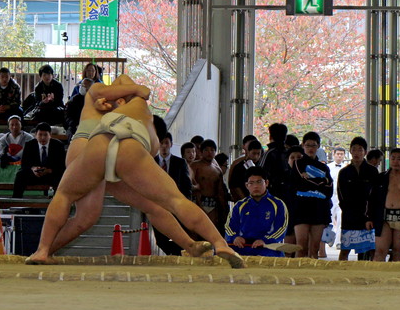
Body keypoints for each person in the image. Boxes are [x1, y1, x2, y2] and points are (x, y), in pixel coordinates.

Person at [27, 80, 244, 268]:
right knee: (173, 200)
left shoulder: (115, 105)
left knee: (85, 206)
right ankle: (220, 243)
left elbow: (133, 90)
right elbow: (136, 90)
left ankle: (43, 250)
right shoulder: (123, 102)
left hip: (98, 146)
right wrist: (133, 92)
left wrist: (118, 99)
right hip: (112, 147)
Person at [225, 166, 288, 257]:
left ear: (266, 183)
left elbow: (281, 228)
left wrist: (264, 240)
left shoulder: (278, 204)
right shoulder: (239, 205)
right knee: (219, 252)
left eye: (259, 182)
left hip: (267, 247)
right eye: (251, 183)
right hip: (243, 246)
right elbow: (229, 227)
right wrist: (235, 237)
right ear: (246, 186)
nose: (255, 186)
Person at [291, 132, 333, 258]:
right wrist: (322, 182)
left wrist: (310, 180)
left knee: (314, 249)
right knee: (301, 247)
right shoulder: (298, 163)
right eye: (307, 145)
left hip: (319, 209)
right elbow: (299, 184)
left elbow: (329, 190)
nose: (310, 148)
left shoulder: (324, 167)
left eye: (313, 145)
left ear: (318, 146)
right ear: (303, 145)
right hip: (301, 208)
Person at [337, 137, 378, 261]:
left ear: (365, 152)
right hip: (349, 216)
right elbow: (341, 195)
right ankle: (340, 271)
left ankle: (375, 272)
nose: (356, 153)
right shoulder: (344, 172)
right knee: (345, 250)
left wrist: (370, 215)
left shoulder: (372, 171)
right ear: (350, 151)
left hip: (368, 216)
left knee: (373, 249)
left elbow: (376, 195)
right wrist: (348, 211)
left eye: (360, 150)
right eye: (354, 149)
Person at [153, 132, 193, 255]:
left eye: (166, 143)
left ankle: (175, 256)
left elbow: (187, 186)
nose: (164, 146)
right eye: (161, 143)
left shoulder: (180, 162)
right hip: (158, 207)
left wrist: (185, 205)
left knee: (177, 236)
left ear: (171, 144)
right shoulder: (151, 162)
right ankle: (172, 254)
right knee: (160, 239)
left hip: (176, 206)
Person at [12, 122, 66, 198]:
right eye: (40, 135)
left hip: (51, 175)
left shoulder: (58, 145)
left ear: (50, 135)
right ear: (35, 135)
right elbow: (24, 164)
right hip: (35, 175)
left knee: (62, 176)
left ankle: (59, 200)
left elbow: (62, 165)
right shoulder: (29, 144)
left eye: (45, 135)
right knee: (20, 175)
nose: (43, 138)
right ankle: (16, 200)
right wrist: (33, 168)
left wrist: (49, 170)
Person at [191, 139, 230, 234]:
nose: (209, 152)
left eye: (212, 150)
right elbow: (189, 185)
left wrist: (224, 209)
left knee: (211, 231)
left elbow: (220, 192)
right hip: (196, 202)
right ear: (201, 152)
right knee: (195, 232)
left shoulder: (217, 170)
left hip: (212, 204)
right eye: (206, 150)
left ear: (215, 152)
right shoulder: (195, 166)